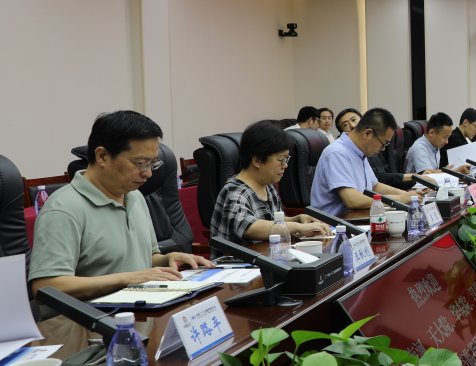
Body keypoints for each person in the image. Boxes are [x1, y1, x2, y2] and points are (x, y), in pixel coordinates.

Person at [29, 111, 212, 300]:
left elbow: (145, 259)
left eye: (152, 163)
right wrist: (128, 279)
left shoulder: (135, 196)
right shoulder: (63, 209)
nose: (148, 173)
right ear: (102, 156)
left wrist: (167, 259)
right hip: (97, 316)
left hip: (143, 308)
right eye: (141, 163)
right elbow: (46, 287)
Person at [210, 120, 331, 251]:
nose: (285, 165)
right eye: (281, 159)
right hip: (240, 262)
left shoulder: (267, 185)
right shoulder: (235, 192)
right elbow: (249, 228)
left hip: (271, 256)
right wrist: (297, 227)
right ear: (257, 160)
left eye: (287, 159)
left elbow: (274, 222)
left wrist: (297, 220)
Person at [310, 107, 413, 215]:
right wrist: (400, 199)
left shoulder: (360, 152)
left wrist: (407, 195)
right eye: (383, 143)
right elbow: (352, 200)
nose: (383, 149)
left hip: (357, 217)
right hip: (336, 222)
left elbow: (375, 186)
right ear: (367, 133)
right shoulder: (337, 153)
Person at [405, 112, 470, 175]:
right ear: (431, 133)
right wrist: (457, 170)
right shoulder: (419, 148)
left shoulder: (435, 145)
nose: (447, 141)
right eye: (445, 137)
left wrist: (446, 170)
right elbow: (429, 174)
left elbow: (434, 172)